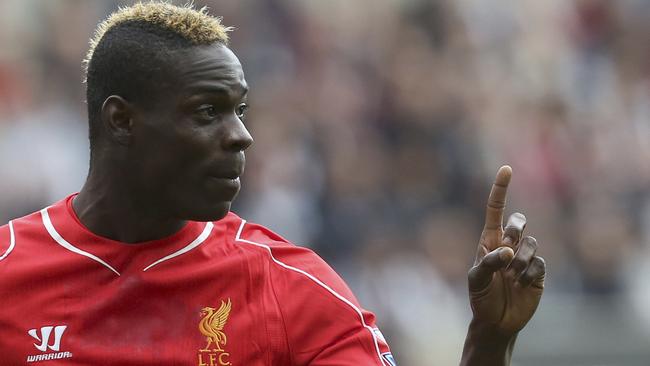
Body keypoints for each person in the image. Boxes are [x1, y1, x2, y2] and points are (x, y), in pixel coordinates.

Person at [0, 3, 545, 365]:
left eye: (240, 110)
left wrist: (489, 341)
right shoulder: (9, 272)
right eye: (207, 111)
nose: (241, 137)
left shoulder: (287, 286)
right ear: (122, 121)